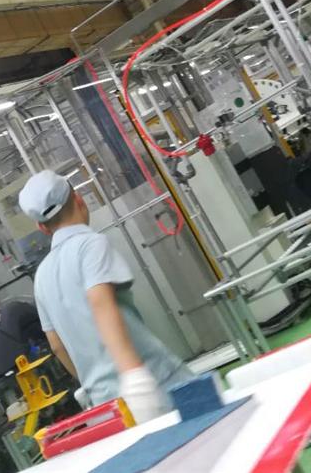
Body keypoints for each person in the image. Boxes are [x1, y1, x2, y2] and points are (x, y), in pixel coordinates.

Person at [19, 170, 192, 422]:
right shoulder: (91, 245)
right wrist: (135, 378)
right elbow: (101, 303)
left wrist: (94, 385)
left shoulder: (41, 276)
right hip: (156, 384)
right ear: (79, 199)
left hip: (106, 406)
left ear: (42, 227)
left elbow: (57, 346)